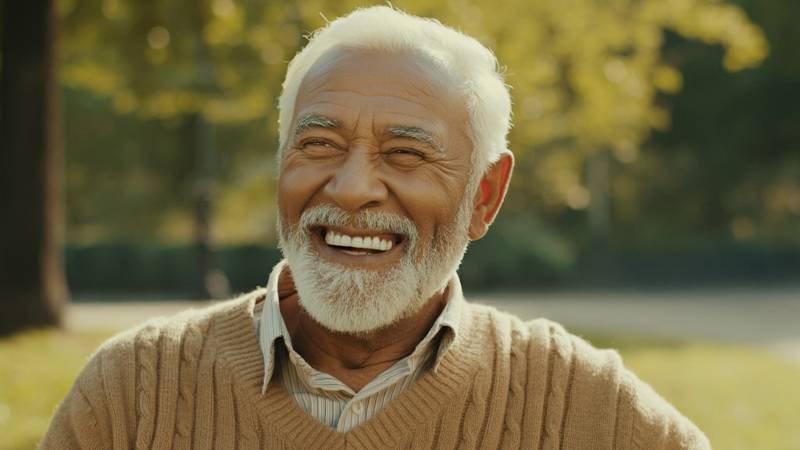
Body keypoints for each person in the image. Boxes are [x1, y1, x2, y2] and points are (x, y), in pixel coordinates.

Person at [41, 6, 709, 449]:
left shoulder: (580, 406)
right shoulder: (133, 393)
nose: (353, 187)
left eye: (406, 153)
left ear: (484, 196)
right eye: (320, 144)